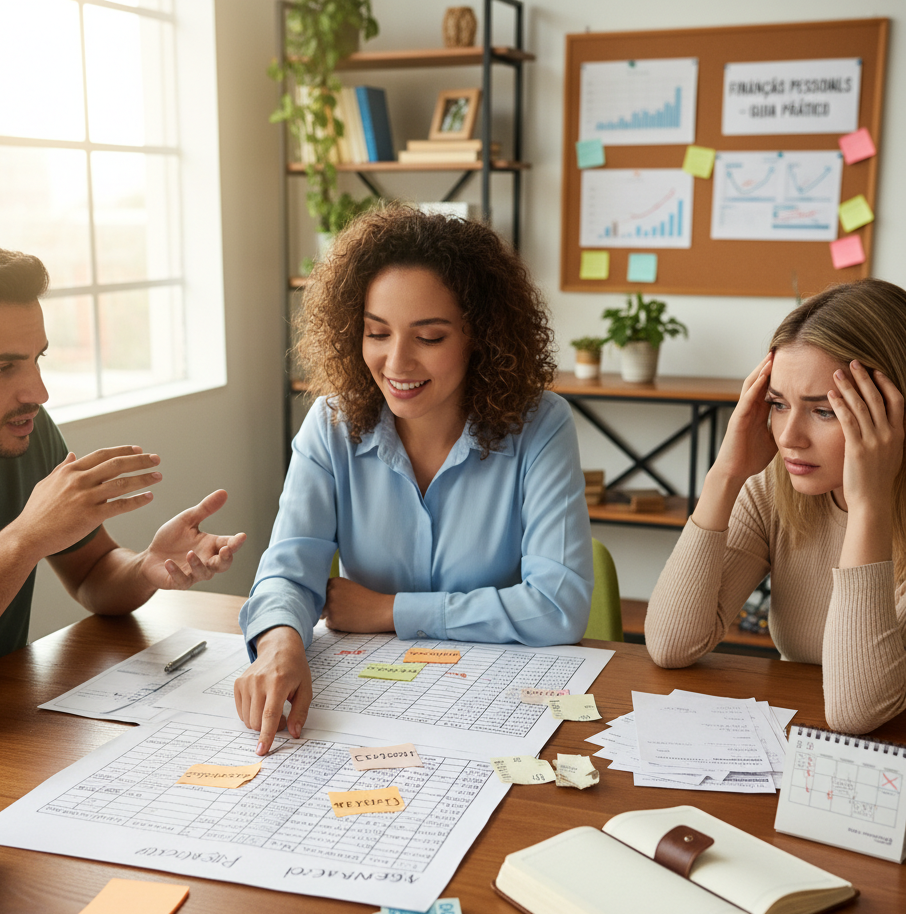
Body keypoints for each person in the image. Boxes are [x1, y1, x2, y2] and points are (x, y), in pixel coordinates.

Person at [236, 205, 594, 755]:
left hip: (497, 711)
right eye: (377, 333)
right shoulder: (330, 427)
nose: (396, 362)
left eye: (428, 337)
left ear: (482, 337)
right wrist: (279, 642)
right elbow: (287, 571)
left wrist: (389, 609)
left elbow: (557, 606)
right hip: (370, 708)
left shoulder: (540, 425)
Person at [0, 232, 246, 738]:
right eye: (4, 366)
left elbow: (92, 571)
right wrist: (23, 539)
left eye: (38, 359)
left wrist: (145, 567)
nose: (37, 392)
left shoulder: (18, 431)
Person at [645, 278, 906, 734]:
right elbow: (671, 644)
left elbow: (856, 711)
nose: (788, 437)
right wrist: (724, 474)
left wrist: (869, 506)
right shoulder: (778, 486)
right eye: (778, 404)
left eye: (823, 411)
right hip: (808, 748)